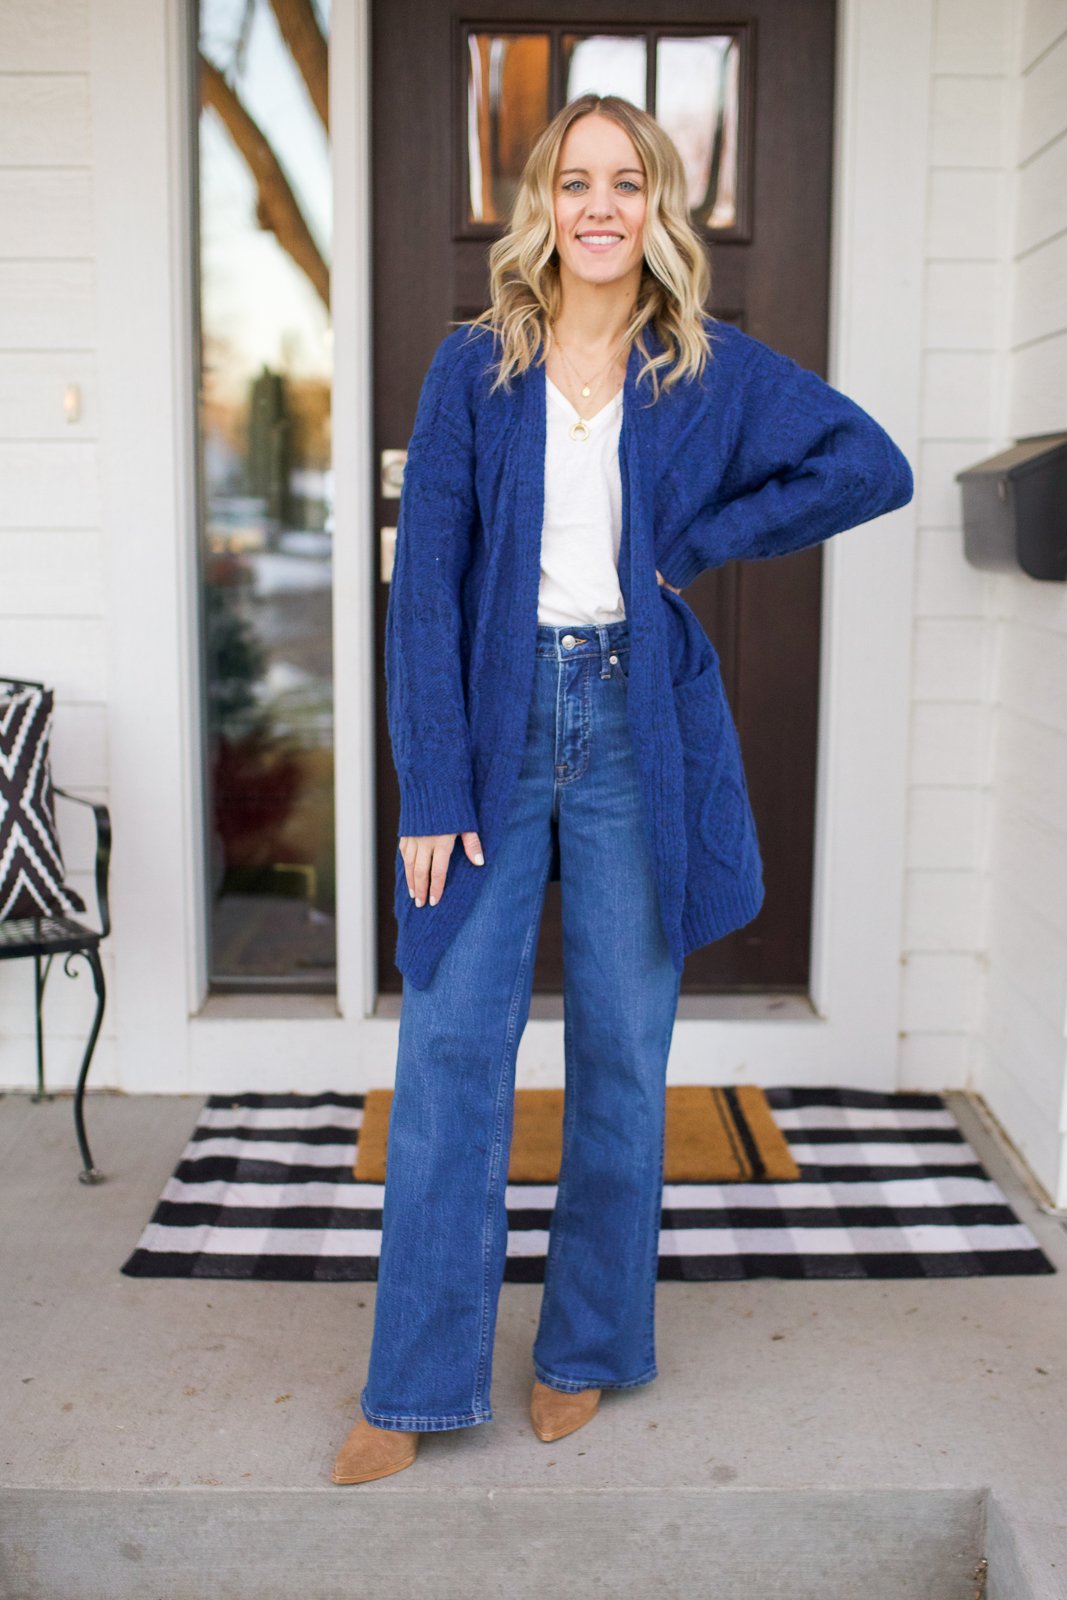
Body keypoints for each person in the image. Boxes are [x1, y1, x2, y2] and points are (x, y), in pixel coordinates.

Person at [331, 93, 913, 1485]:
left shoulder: (703, 371)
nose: (602, 204)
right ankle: (413, 1382)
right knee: (451, 1053)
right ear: (544, 203)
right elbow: (428, 598)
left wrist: (699, 538)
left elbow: (869, 465)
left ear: (658, 209)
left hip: (636, 727)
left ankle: (586, 1348)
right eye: (577, 179)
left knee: (618, 1060)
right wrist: (430, 789)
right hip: (495, 723)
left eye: (629, 181)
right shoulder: (472, 369)